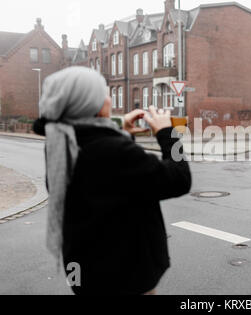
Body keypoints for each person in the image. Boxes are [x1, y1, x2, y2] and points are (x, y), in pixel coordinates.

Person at [32, 66, 191, 295]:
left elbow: (116, 179)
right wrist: (169, 134)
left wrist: (122, 132)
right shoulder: (112, 151)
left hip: (88, 271)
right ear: (92, 105)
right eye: (103, 94)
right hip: (126, 275)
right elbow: (179, 179)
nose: (109, 98)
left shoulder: (62, 142)